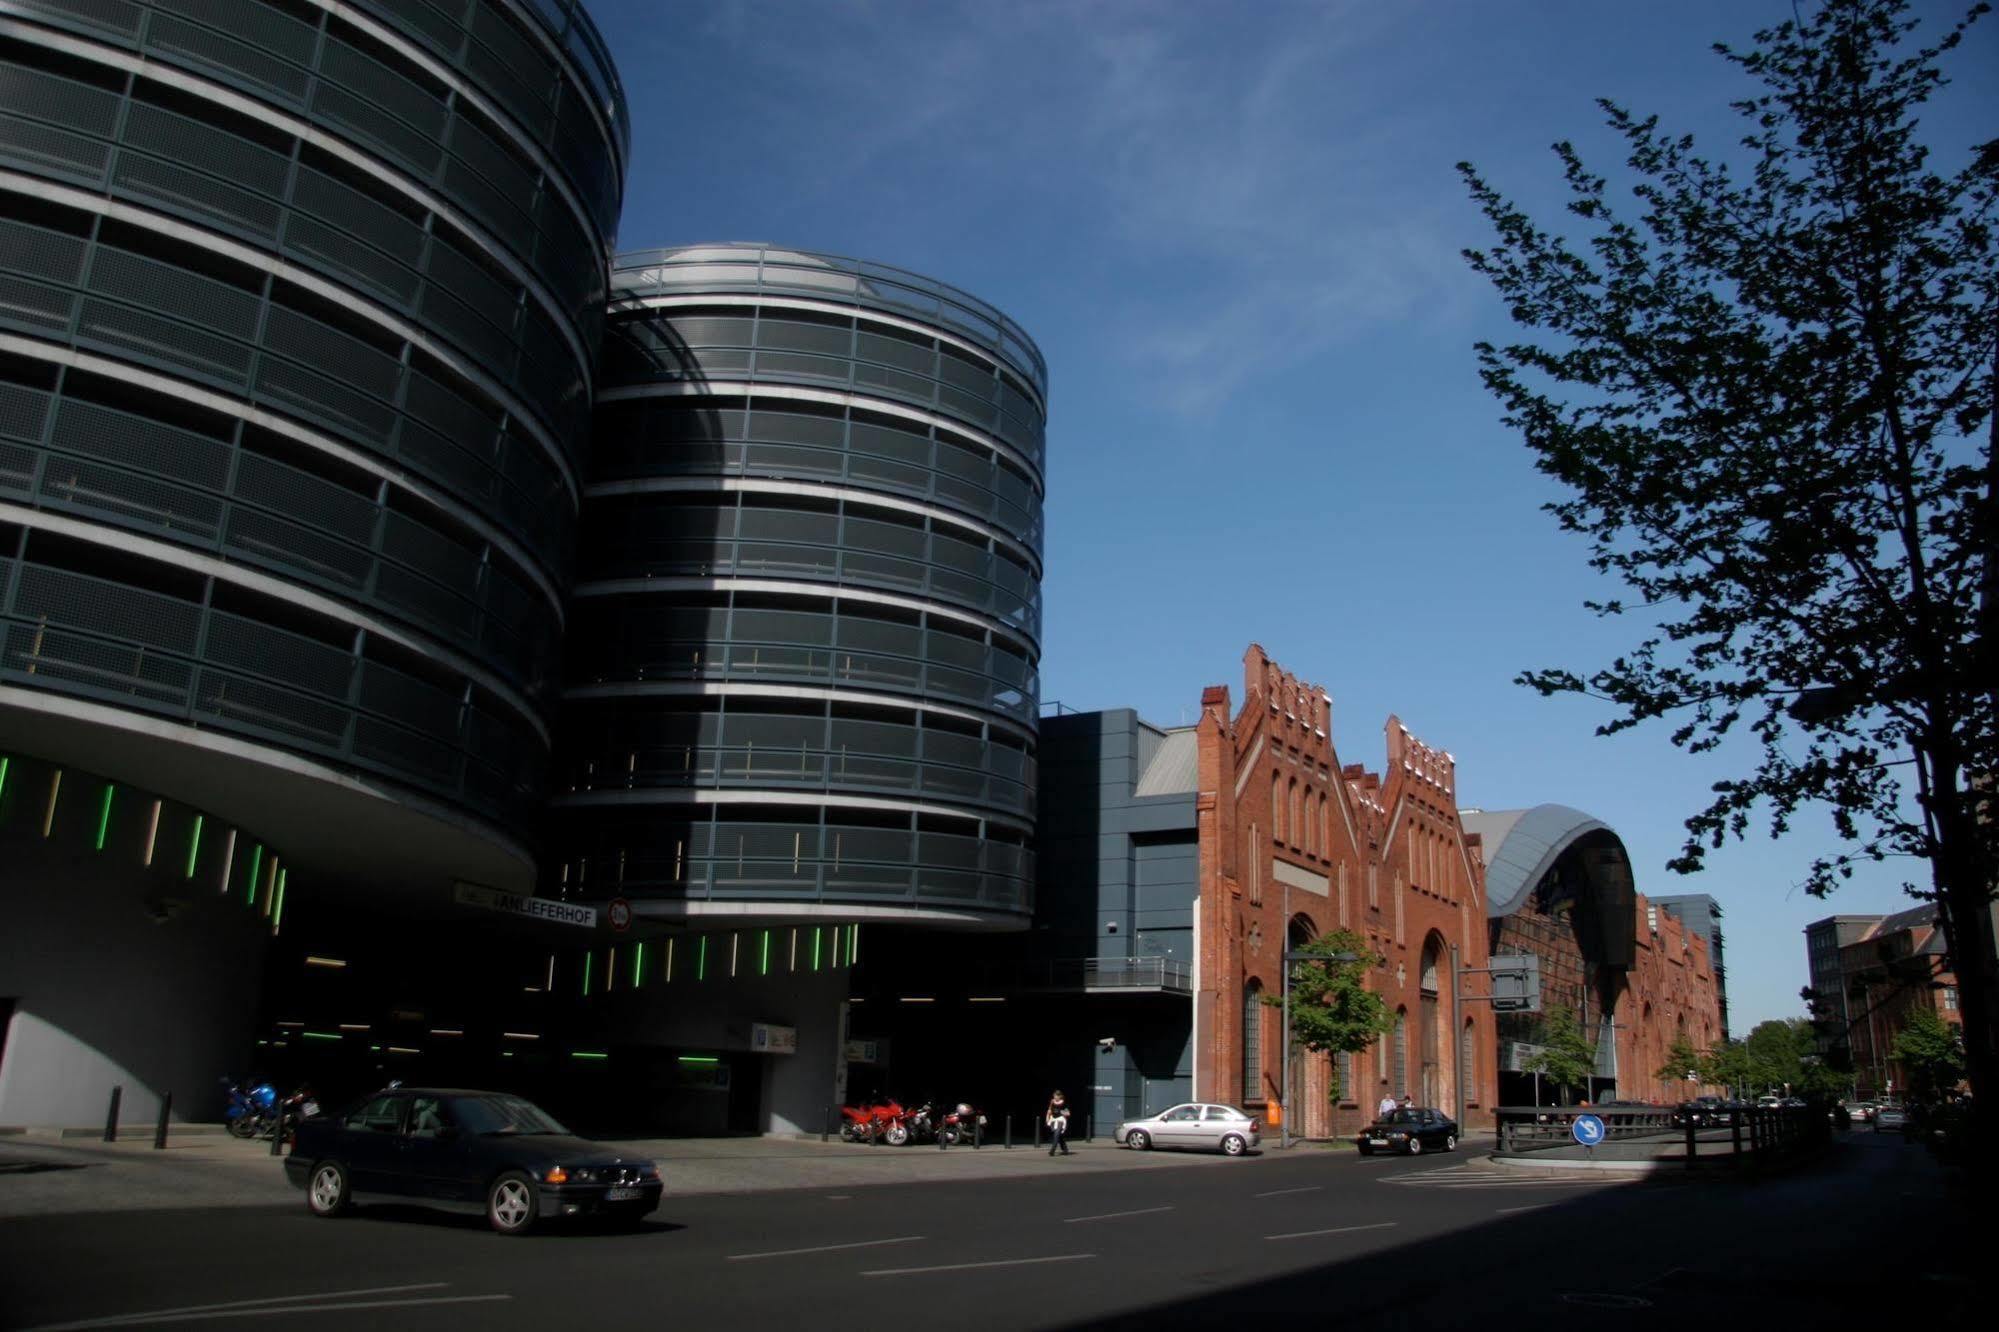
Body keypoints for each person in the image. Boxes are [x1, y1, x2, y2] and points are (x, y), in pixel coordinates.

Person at [1045, 1091, 1071, 1156]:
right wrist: (1047, 1118)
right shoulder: (1052, 1102)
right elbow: (1049, 1111)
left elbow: (1068, 1113)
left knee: (1056, 1134)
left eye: (1057, 1096)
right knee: (1059, 1135)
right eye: (1054, 1096)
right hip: (1053, 1119)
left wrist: (1061, 1112)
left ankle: (1052, 1150)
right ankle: (1065, 1149)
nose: (1055, 1097)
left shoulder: (1063, 1103)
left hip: (1060, 1119)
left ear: (1060, 1096)